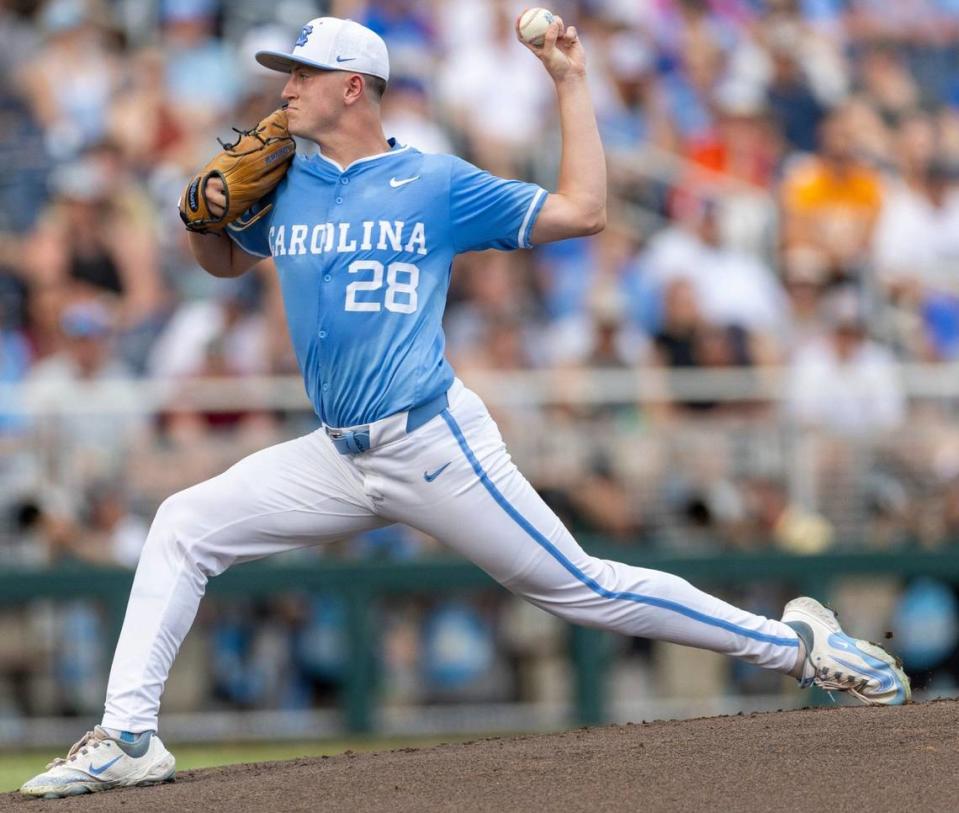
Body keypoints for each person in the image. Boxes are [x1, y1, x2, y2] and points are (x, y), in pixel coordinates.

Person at [21, 14, 909, 799]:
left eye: (300, 74)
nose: (283, 88)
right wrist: (203, 221)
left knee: (584, 588)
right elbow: (221, 264)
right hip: (336, 453)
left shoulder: (433, 182)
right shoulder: (288, 179)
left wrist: (569, 80)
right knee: (181, 522)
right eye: (282, 73)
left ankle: (802, 647)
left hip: (430, 440)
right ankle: (129, 737)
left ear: (353, 88)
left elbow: (585, 210)